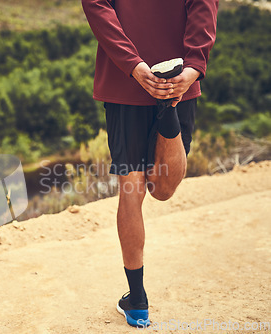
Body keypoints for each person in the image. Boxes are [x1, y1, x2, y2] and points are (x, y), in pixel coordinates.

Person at [81, 0, 219, 327]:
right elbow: (203, 7)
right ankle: (167, 110)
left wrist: (133, 65)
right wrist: (193, 67)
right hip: (179, 82)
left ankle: (137, 301)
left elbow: (97, 7)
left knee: (132, 188)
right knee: (163, 189)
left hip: (123, 81)